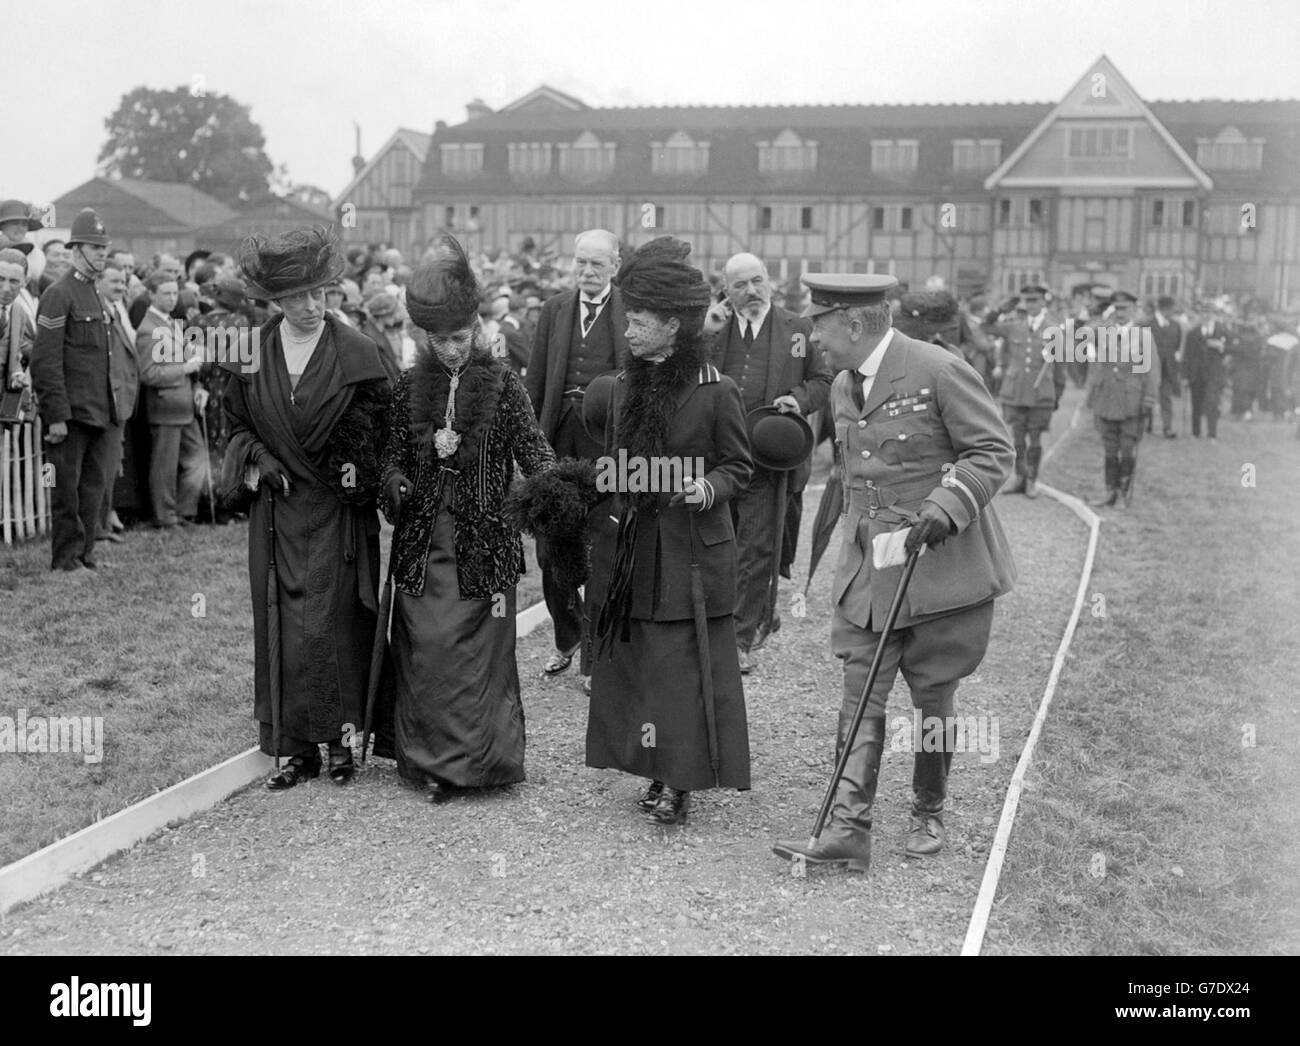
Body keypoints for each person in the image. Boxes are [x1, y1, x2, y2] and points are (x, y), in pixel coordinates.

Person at [772, 273, 1015, 872]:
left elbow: (992, 451)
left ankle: (928, 809)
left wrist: (948, 503)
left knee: (933, 696)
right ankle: (848, 828)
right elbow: (853, 481)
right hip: (870, 571)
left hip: (939, 565)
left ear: (854, 324)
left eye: (820, 327)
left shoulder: (937, 369)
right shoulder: (842, 385)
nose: (814, 341)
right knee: (860, 694)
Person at [380, 235, 556, 803]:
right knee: (427, 649)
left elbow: (536, 454)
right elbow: (389, 459)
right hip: (422, 545)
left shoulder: (504, 385)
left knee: (477, 660)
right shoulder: (408, 386)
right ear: (423, 338)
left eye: (460, 337)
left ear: (476, 328)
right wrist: (397, 481)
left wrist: (552, 495)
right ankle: (429, 764)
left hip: (485, 545)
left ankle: (478, 765)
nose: (452, 349)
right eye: (439, 340)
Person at [585, 237, 753, 825]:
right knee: (646, 666)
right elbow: (613, 463)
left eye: (638, 321)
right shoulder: (621, 388)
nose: (627, 330)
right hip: (637, 549)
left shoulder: (717, 391)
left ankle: (681, 782)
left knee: (684, 668)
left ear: (673, 327)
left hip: (691, 553)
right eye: (627, 319)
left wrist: (706, 488)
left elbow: (739, 467)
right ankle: (653, 770)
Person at [219, 226, 392, 790]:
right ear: (276, 301)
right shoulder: (252, 353)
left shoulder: (358, 351)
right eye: (298, 297)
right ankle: (295, 749)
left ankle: (341, 742)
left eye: (320, 293)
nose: (312, 306)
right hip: (276, 513)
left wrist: (357, 477)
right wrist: (257, 459)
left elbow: (380, 433)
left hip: (336, 513)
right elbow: (236, 423)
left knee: (333, 624)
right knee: (284, 625)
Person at [702, 252, 829, 672]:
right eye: (740, 285)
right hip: (717, 455)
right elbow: (684, 375)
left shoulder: (800, 329)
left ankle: (739, 638)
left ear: (769, 281)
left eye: (757, 281)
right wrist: (704, 333)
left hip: (769, 454)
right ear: (727, 289)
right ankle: (730, 620)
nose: (751, 291)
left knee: (755, 546)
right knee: (717, 541)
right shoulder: (713, 329)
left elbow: (824, 380)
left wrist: (800, 399)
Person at [526, 229, 630, 687]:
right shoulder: (554, 310)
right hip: (558, 436)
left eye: (597, 264)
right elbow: (534, 377)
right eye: (581, 263)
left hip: (605, 442)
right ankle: (567, 637)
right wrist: (527, 439)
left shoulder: (630, 309)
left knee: (603, 543)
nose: (587, 272)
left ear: (615, 265)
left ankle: (596, 653)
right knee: (551, 544)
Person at [28, 209, 120, 571]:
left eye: (103, 247)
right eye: (94, 247)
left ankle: (85, 554)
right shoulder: (59, 293)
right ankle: (65, 558)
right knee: (66, 490)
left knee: (92, 488)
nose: (101, 253)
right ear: (75, 250)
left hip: (98, 410)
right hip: (69, 414)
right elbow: (45, 361)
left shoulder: (91, 293)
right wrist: (56, 416)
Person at [136, 272, 206, 528]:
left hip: (185, 402)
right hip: (165, 405)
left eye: (174, 293)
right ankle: (165, 516)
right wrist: (185, 370)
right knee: (164, 466)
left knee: (198, 458)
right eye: (165, 293)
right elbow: (149, 374)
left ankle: (184, 511)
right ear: (152, 295)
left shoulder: (171, 323)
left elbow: (191, 360)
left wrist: (197, 384)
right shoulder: (148, 329)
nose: (171, 298)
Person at [1086, 290, 1160, 506]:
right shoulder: (1102, 332)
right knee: (1109, 449)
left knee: (1127, 448)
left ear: (1134, 310)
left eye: (1124, 308)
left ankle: (1123, 494)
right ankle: (1110, 492)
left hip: (1131, 402)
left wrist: (1149, 400)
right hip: (1107, 400)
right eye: (1116, 308)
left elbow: (1152, 372)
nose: (1120, 313)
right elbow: (1080, 332)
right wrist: (1102, 318)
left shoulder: (1143, 337)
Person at [994, 284, 1068, 498]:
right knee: (1016, 439)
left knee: (1035, 439)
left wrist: (1057, 395)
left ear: (1044, 302)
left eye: (1035, 300)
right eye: (1027, 300)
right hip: (1016, 391)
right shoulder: (1014, 325)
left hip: (1040, 392)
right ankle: (1019, 478)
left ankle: (1032, 481)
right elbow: (986, 327)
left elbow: (1060, 366)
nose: (1031, 304)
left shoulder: (1055, 329)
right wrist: (1002, 308)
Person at [95, 259, 139, 543]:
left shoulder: (115, 310)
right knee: (101, 468)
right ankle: (98, 527)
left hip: (120, 401)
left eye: (124, 281)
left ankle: (103, 524)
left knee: (111, 467)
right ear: (98, 281)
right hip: (107, 402)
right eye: (114, 281)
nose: (121, 286)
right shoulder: (99, 312)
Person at [1184, 303, 1230, 441]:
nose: (1206, 315)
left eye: (1208, 312)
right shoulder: (1193, 333)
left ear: (1213, 314)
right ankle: (1195, 432)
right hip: (1196, 373)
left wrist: (1222, 347)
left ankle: (1212, 433)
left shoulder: (1222, 330)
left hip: (1214, 373)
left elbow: (1234, 346)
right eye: (1203, 312)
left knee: (1212, 402)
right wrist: (1185, 375)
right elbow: (1187, 355)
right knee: (1196, 403)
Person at [1147, 295, 1183, 438]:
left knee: (1166, 398)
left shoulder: (1176, 326)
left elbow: (1177, 346)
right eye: (1171, 309)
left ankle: (1167, 428)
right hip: (1150, 368)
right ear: (1164, 309)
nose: (1173, 312)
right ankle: (1147, 425)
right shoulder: (1149, 325)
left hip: (1168, 368)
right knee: (1149, 396)